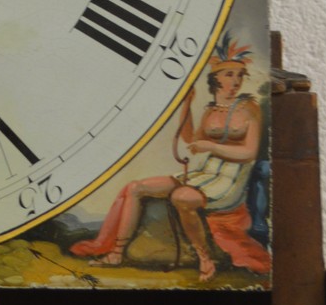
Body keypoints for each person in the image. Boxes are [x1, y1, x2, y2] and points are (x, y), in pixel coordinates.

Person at [70, 37, 268, 282]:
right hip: (204, 175)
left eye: (240, 75)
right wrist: (186, 103)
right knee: (135, 188)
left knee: (181, 197)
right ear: (215, 78)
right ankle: (116, 254)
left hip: (229, 180)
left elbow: (249, 153)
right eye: (229, 74)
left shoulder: (249, 108)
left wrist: (211, 145)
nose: (235, 81)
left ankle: (204, 259)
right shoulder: (210, 111)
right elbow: (191, 141)